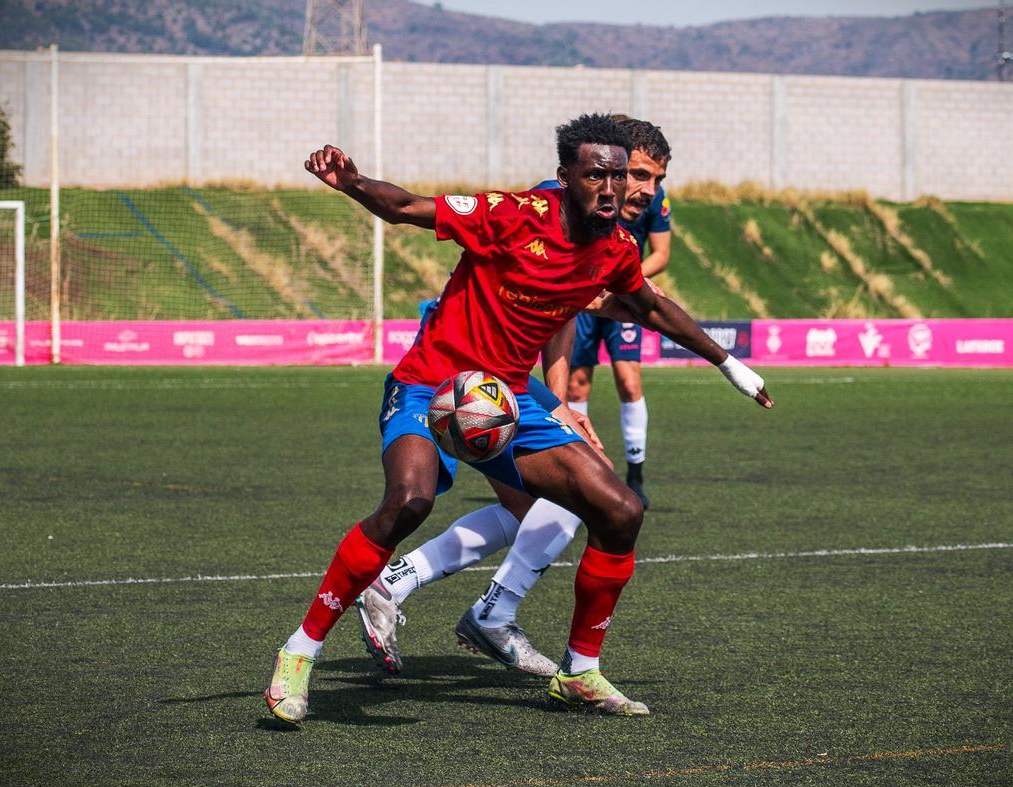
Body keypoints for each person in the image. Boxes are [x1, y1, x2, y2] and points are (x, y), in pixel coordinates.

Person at [265, 113, 772, 723]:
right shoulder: (512, 213)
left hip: (508, 397)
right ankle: (300, 650)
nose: (611, 189)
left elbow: (651, 308)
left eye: (620, 177)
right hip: (431, 382)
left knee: (619, 509)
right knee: (409, 501)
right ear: (566, 177)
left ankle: (580, 670)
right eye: (596, 176)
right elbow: (406, 207)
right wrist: (351, 182)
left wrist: (728, 363)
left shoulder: (615, 248)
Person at [353, 119, 675, 679]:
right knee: (561, 501)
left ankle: (450, 601)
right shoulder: (554, 207)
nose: (643, 190)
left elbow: (564, 312)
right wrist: (559, 400)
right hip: (458, 373)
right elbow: (552, 302)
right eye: (637, 175)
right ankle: (472, 609)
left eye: (652, 179)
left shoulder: (614, 222)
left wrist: (560, 400)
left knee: (549, 508)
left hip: (511, 384)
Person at [558, 118, 672, 510]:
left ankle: (635, 474)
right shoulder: (589, 192)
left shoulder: (652, 195)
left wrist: (628, 279)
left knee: (629, 379)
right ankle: (581, 470)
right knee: (576, 387)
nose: (646, 187)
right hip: (583, 296)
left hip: (620, 296)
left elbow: (661, 253)